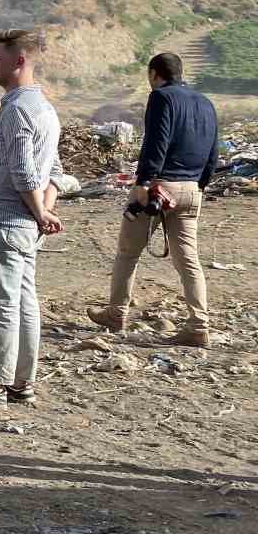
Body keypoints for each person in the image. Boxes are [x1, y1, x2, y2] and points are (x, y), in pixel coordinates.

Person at [0, 28, 63, 406]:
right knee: (24, 302)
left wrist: (40, 211)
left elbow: (23, 171)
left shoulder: (19, 108)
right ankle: (22, 382)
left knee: (1, 304)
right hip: (23, 223)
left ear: (19, 61)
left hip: (5, 221)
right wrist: (45, 210)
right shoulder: (45, 109)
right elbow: (54, 169)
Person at [89, 51, 219, 347]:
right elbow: (213, 152)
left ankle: (116, 314)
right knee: (188, 260)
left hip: (160, 188)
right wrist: (201, 185)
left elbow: (155, 142)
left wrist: (143, 182)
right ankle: (199, 325)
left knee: (128, 252)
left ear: (153, 74)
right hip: (191, 190)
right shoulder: (206, 103)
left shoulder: (162, 98)